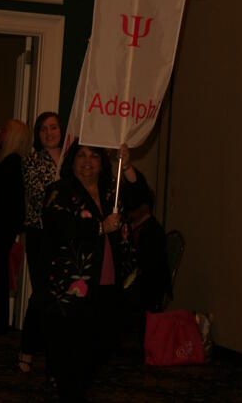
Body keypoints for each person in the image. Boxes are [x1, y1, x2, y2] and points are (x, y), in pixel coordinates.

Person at [39, 139, 150, 403]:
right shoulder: (61, 190)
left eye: (94, 156)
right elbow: (60, 227)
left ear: (103, 163)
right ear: (72, 160)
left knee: (102, 346)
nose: (87, 161)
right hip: (75, 289)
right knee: (73, 353)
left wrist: (129, 164)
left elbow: (141, 197)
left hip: (110, 285)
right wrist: (100, 228)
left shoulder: (111, 190)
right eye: (81, 155)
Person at [18, 112, 62, 374]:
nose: (49, 133)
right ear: (38, 134)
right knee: (42, 292)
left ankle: (53, 349)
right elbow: (38, 196)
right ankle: (27, 347)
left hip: (64, 236)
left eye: (54, 127)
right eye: (43, 129)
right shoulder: (32, 160)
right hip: (39, 233)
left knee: (59, 295)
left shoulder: (72, 160)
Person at [0, 118, 30, 335]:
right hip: (4, 230)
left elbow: (4, 204)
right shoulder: (14, 165)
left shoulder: (9, 167)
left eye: (4, 130)